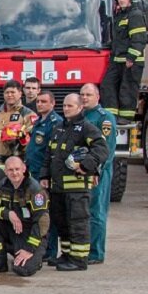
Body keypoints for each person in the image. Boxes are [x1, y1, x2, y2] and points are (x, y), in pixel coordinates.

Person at [43, 93, 107, 271]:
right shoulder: (59, 128)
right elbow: (50, 155)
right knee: (62, 223)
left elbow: (102, 149)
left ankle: (79, 260)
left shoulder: (87, 128)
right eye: (64, 106)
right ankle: (67, 254)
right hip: (58, 187)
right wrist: (44, 176)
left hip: (77, 188)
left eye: (70, 106)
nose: (65, 109)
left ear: (80, 108)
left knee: (78, 222)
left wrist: (87, 166)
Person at [0, 156, 49, 276]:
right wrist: (7, 213)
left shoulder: (35, 189)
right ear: (5, 171)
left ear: (24, 169)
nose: (14, 173)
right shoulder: (2, 185)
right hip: (11, 229)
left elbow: (42, 222)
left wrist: (29, 249)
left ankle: (34, 259)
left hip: (31, 234)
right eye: (10, 170)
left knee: (23, 270)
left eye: (17, 169)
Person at [81, 83, 118, 265]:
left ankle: (96, 253)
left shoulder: (105, 119)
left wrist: (96, 171)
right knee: (84, 213)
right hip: (81, 172)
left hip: (98, 173)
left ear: (98, 97)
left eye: (88, 94)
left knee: (97, 212)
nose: (85, 98)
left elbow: (108, 151)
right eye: (82, 94)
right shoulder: (81, 116)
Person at [26, 91, 63, 261]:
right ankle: (42, 248)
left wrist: (45, 175)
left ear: (53, 103)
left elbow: (52, 153)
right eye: (38, 101)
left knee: (47, 214)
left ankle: (50, 251)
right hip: (33, 173)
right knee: (36, 212)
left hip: (44, 176)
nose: (39, 104)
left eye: (44, 101)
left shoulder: (55, 123)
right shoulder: (39, 121)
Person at [101, 0, 148, 126]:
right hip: (117, 59)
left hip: (131, 61)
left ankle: (126, 117)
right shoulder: (120, 16)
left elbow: (139, 39)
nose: (121, 0)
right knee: (107, 85)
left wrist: (131, 57)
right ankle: (111, 115)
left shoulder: (135, 15)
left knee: (127, 89)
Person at [0, 80, 35, 163]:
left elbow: (32, 142)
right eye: (7, 92)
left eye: (13, 92)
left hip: (16, 163)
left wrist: (18, 141)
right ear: (3, 94)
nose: (9, 95)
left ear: (20, 93)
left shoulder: (27, 114)